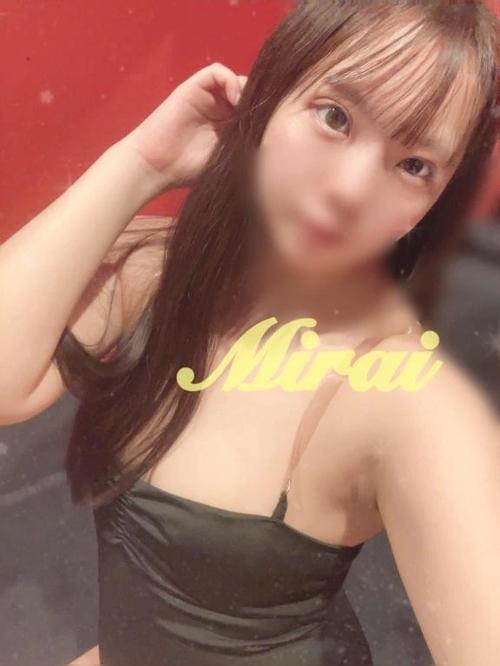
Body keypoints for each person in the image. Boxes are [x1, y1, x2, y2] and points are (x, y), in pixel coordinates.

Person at [1, 1, 500, 664]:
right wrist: (143, 163)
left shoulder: (404, 398)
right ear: (267, 97)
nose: (350, 191)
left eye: (414, 165)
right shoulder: (160, 274)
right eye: (335, 117)